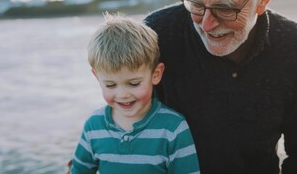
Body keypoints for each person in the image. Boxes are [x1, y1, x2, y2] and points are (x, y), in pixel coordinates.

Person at [144, 0, 297, 173]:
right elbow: (125, 134)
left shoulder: (295, 48)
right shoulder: (157, 36)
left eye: (225, 8)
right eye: (197, 4)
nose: (207, 25)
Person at [70, 14, 200, 174]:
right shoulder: (93, 126)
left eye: (134, 83)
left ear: (156, 74)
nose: (123, 94)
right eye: (110, 85)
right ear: (97, 77)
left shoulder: (174, 128)